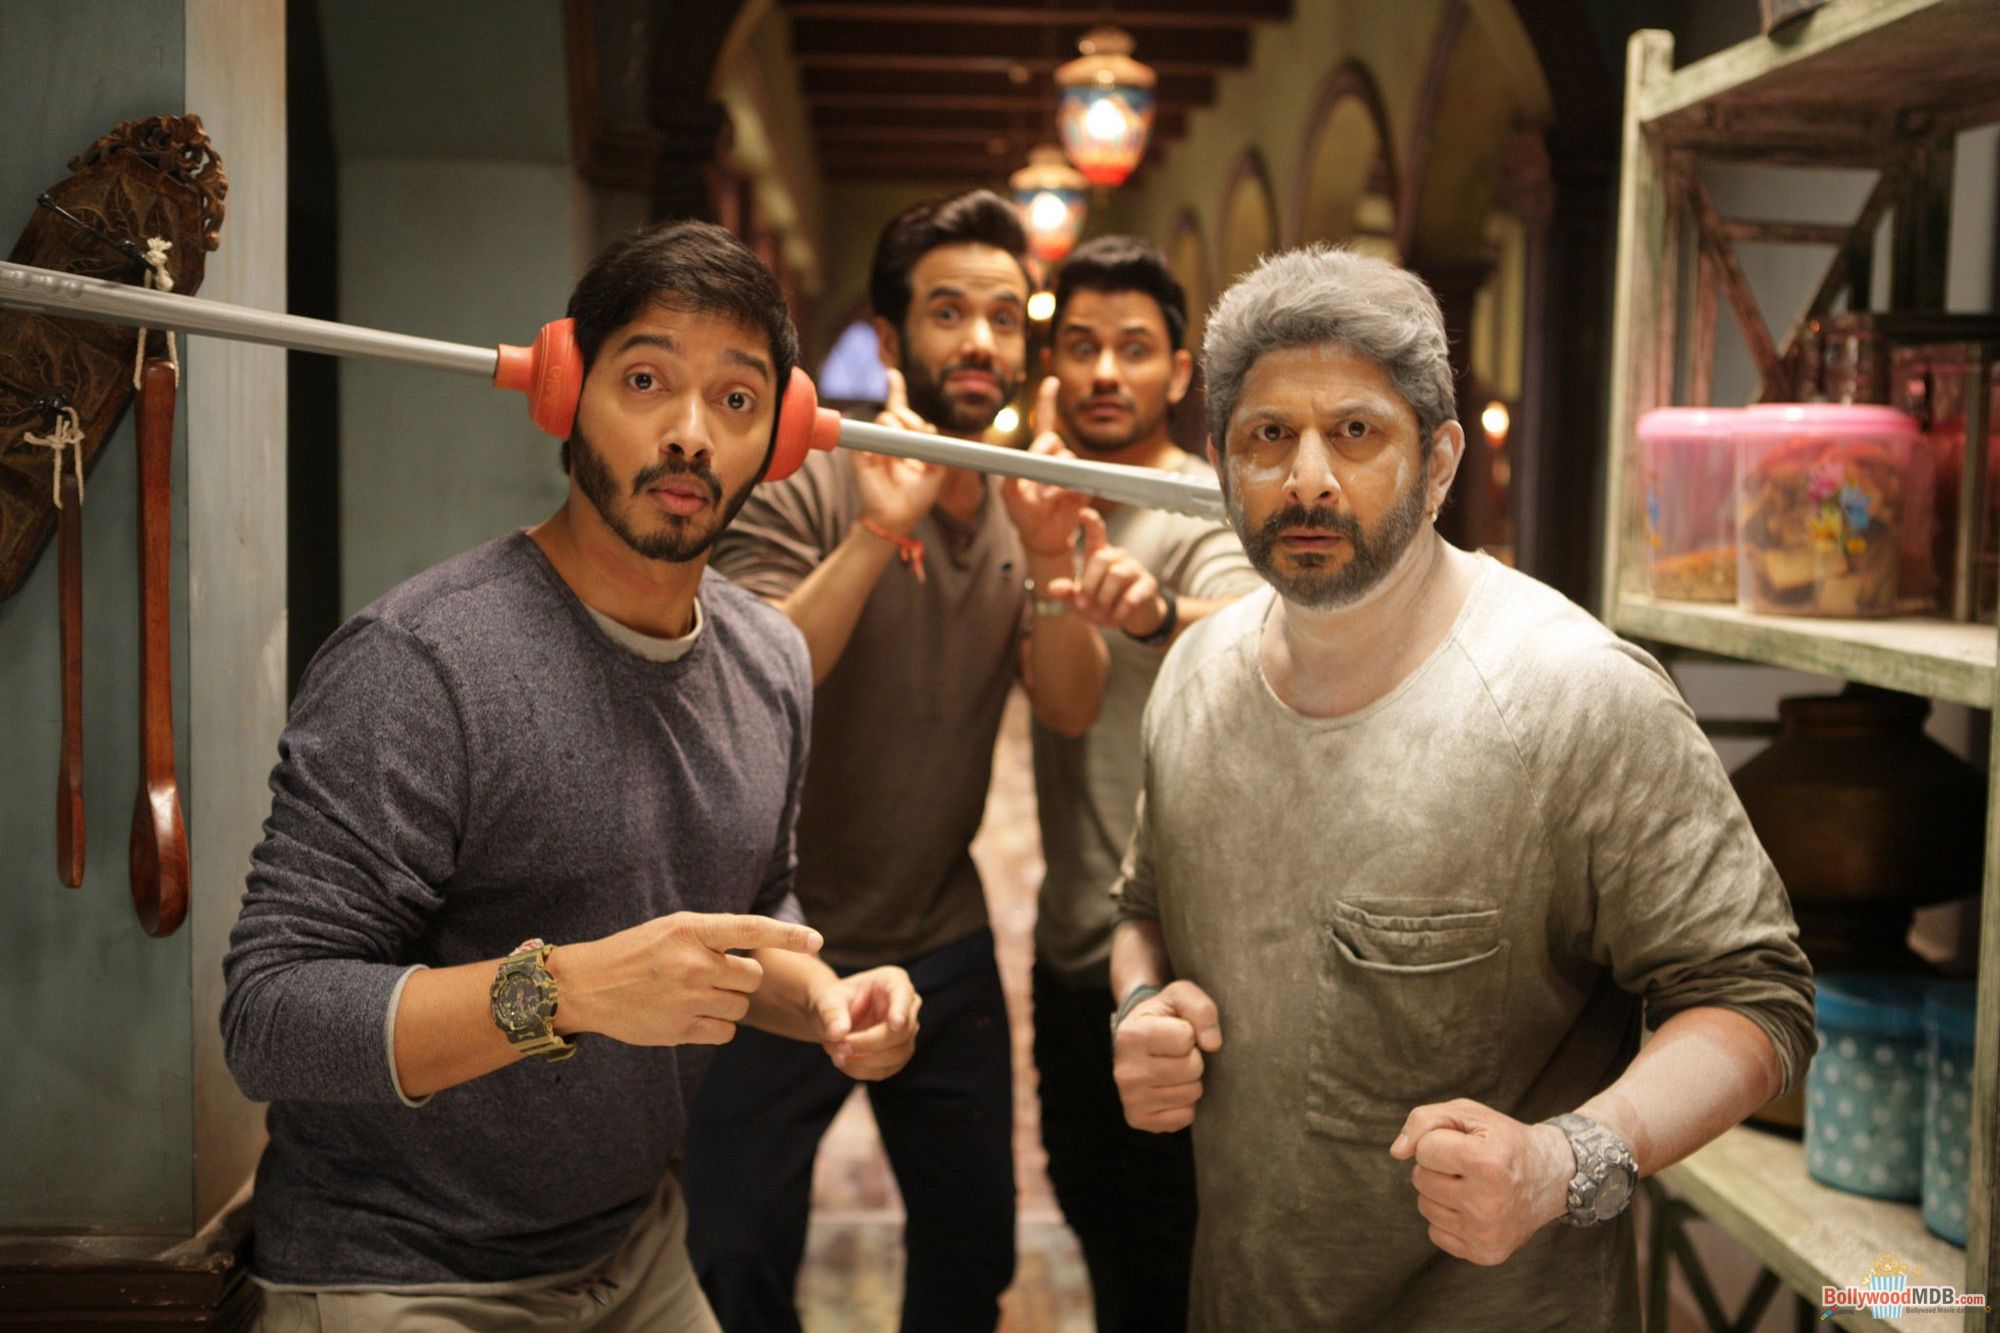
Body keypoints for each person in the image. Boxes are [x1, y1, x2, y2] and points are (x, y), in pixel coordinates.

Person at [221, 221, 920, 1333]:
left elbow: (755, 907)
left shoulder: (773, 659)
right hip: (397, 1266)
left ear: (781, 439)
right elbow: (270, 1015)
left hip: (632, 1248)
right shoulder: (422, 662)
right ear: (565, 390)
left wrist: (823, 997)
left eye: (737, 400)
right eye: (645, 380)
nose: (689, 432)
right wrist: (569, 991)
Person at [1108, 245, 1816, 1331]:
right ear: (1219, 463)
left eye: (1355, 431)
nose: (1306, 479)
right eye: (1268, 436)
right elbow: (1145, 905)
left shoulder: (1577, 698)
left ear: (1438, 462)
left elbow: (1755, 997)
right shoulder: (1194, 675)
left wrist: (1562, 1162)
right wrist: (1140, 1003)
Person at [685, 189, 1109, 1332]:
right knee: (731, 1256)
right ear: (888, 336)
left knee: (971, 1253)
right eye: (947, 312)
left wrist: (1053, 567)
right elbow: (755, 676)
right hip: (774, 941)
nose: (980, 342)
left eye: (1003, 318)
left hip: (940, 938)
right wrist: (879, 529)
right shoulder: (807, 476)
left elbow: (1069, 706)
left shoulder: (1022, 504)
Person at [1026, 235, 1260, 1332]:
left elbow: (1267, 622)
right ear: (1053, 368)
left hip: (1185, 957)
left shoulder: (1204, 501)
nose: (1105, 371)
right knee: (1097, 1220)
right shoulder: (1039, 500)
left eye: (1133, 347)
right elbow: (1065, 705)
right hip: (1070, 936)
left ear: (1178, 372)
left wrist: (1161, 613)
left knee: (1179, 1251)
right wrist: (1048, 564)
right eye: (1081, 346)